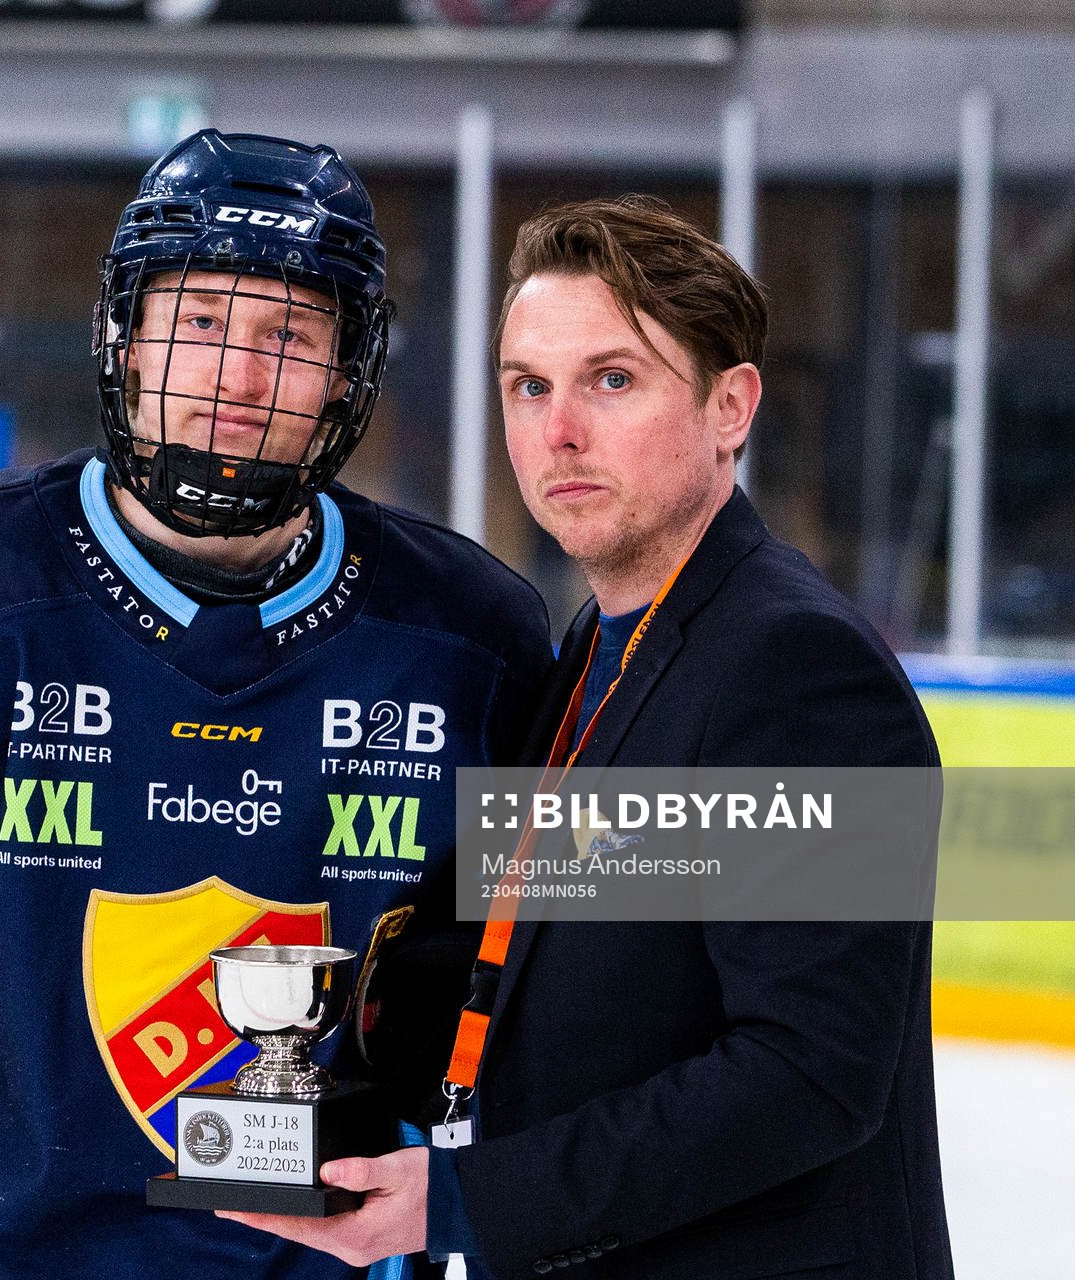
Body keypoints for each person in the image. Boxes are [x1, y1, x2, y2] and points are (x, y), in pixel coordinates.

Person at [0, 129, 552, 1280]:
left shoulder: (468, 638)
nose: (236, 378)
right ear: (127, 334)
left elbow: (572, 965)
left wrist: (863, 841)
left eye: (287, 336)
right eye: (199, 323)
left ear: (348, 374)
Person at [224, 196, 954, 1279]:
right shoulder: (594, 650)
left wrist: (467, 1199)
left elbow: (808, 1073)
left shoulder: (799, 671)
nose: (559, 430)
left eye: (612, 380)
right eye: (529, 386)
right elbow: (564, 986)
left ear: (730, 406)